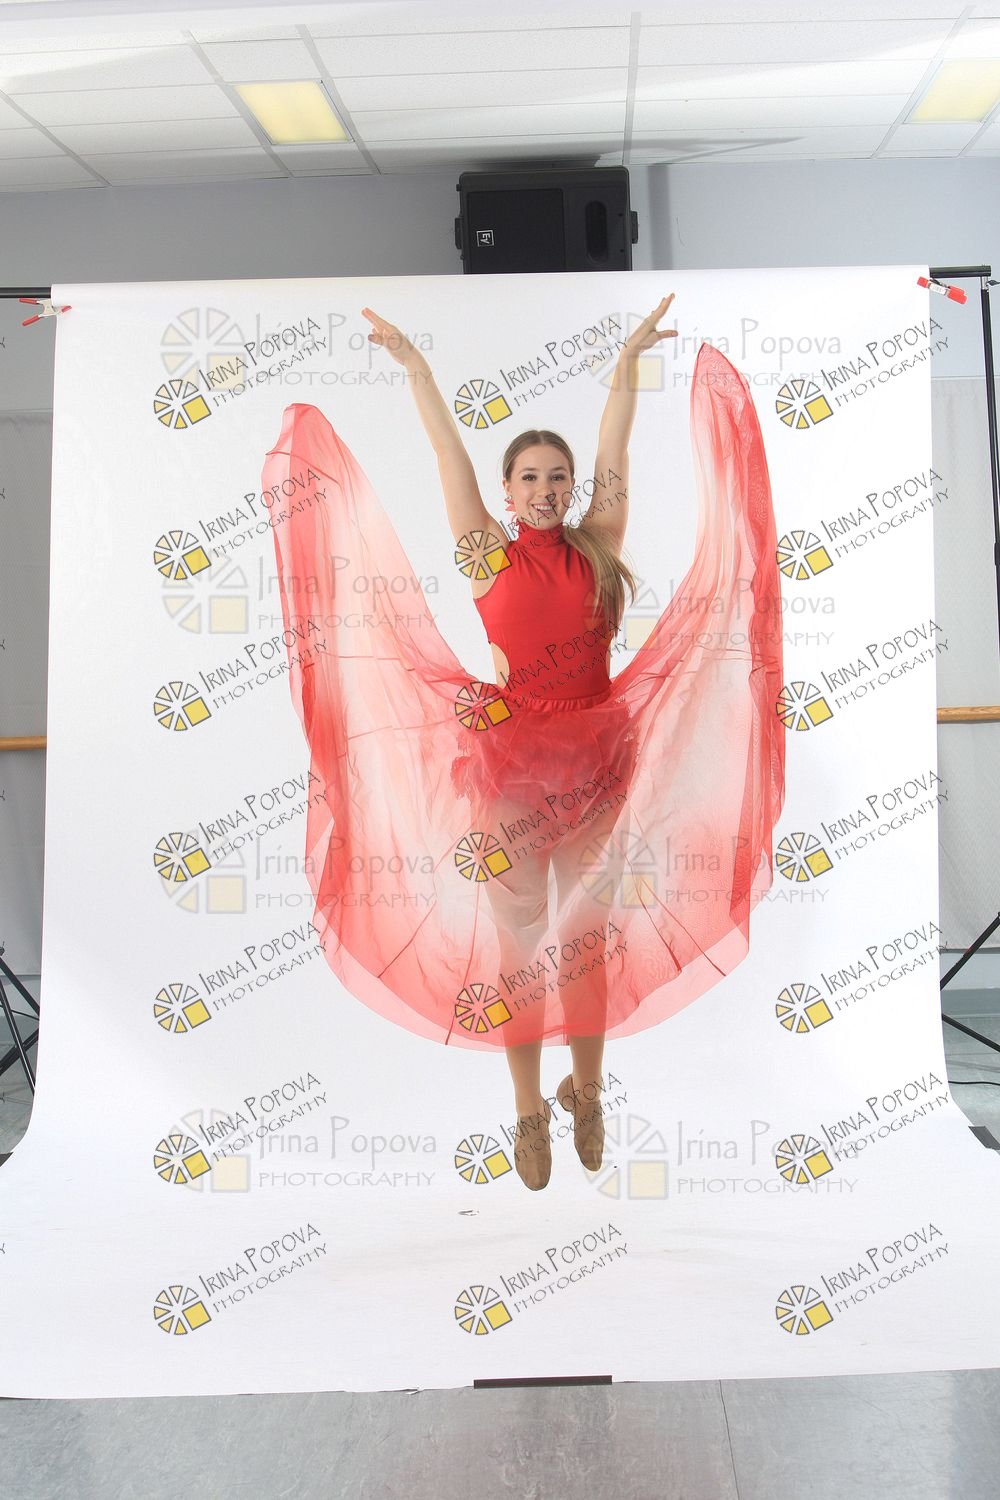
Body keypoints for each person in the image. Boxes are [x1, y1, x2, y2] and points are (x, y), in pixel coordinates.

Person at [263, 295, 785, 1193]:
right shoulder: (486, 557)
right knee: (519, 951)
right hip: (509, 775)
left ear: (571, 490)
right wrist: (417, 367)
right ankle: (528, 1109)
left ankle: (590, 1093)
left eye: (557, 477)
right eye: (530, 478)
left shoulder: (599, 548)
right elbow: (447, 455)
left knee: (586, 941)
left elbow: (616, 451)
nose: (545, 489)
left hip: (596, 768)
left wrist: (626, 368)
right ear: (507, 494)